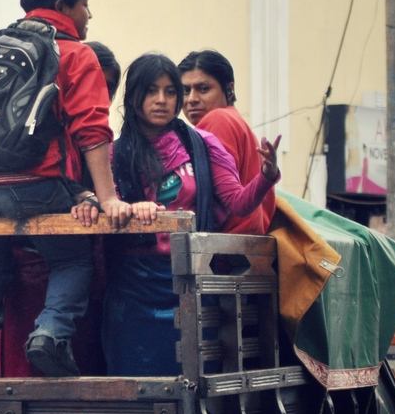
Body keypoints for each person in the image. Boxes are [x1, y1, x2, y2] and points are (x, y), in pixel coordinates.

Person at [0, 0, 132, 378]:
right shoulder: (74, 54)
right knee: (72, 261)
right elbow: (91, 129)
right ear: (62, 4)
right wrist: (106, 197)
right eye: (85, 4)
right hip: (32, 186)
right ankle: (50, 333)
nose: (89, 15)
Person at [103, 53, 281, 375]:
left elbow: (238, 201)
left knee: (193, 380)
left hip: (189, 281)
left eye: (171, 92)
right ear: (133, 97)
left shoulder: (202, 144)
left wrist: (266, 177)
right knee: (136, 380)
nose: (162, 101)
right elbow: (103, 204)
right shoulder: (113, 154)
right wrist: (130, 209)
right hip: (132, 288)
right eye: (151, 91)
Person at [0, 40, 121, 377]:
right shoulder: (36, 134)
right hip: (29, 269)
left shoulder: (99, 142)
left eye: (108, 88)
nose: (100, 95)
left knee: (79, 368)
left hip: (85, 279)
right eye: (96, 85)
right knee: (25, 374)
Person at [179, 50, 276, 234]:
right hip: (244, 244)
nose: (191, 99)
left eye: (203, 89)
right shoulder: (234, 120)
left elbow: (216, 196)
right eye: (185, 91)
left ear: (229, 89)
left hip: (224, 246)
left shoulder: (218, 119)